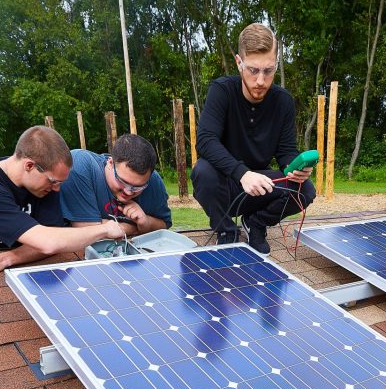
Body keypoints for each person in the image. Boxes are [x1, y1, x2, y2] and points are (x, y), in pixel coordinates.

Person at [193, 23, 315, 254]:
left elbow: (286, 151)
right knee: (202, 171)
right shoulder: (222, 91)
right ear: (239, 63)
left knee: (305, 190)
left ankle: (255, 224)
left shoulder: (283, 101)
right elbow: (206, 140)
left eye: (268, 71)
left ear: (276, 65)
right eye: (253, 70)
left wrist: (294, 167)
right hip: (226, 182)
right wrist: (242, 173)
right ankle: (226, 230)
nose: (260, 80)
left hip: (262, 185)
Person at [0, 125, 123, 272]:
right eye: (53, 181)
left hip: (15, 264)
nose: (57, 189)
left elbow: (55, 238)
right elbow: (48, 242)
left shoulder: (44, 187)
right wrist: (104, 229)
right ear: (29, 165)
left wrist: (7, 258)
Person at [59, 133, 172, 236]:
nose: (128, 191)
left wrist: (146, 222)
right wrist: (134, 228)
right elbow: (85, 232)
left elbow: (164, 225)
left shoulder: (153, 181)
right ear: (110, 163)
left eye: (138, 187)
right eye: (123, 182)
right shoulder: (81, 165)